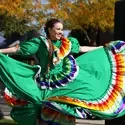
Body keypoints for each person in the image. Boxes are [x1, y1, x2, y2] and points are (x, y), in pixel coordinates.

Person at [0, 18, 125, 125]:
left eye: (62, 29)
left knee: (65, 105)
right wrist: (1, 51)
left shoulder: (66, 43)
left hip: (65, 80)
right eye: (58, 29)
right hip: (45, 82)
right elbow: (18, 49)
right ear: (49, 29)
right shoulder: (40, 43)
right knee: (42, 106)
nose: (61, 32)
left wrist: (100, 48)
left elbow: (81, 48)